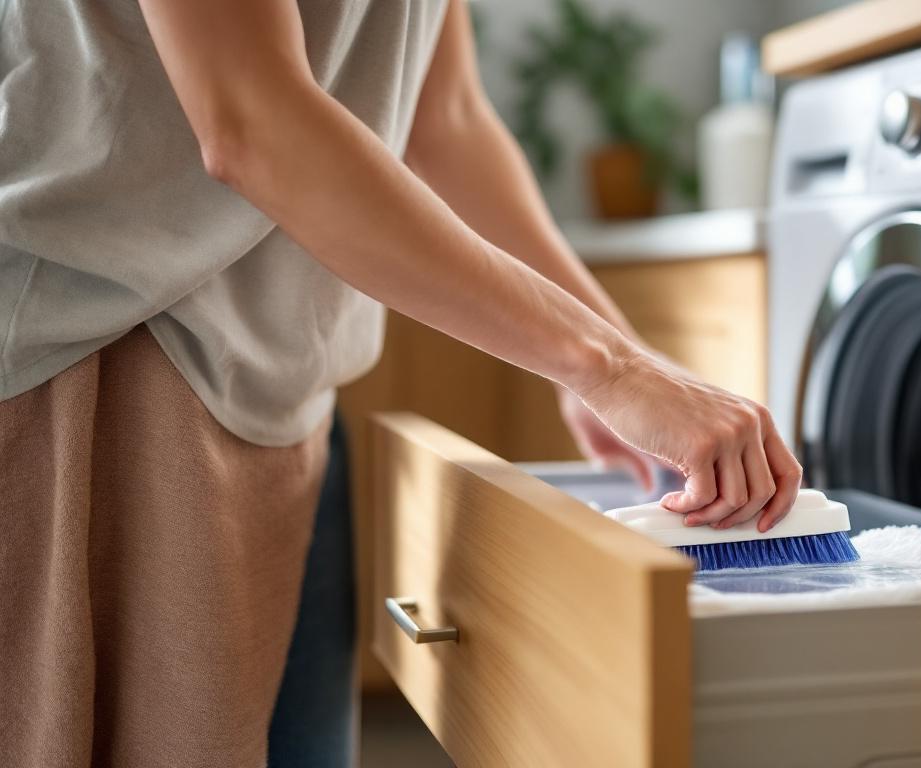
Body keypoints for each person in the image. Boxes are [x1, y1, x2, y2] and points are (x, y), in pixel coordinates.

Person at [0, 1, 802, 766]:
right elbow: (249, 120)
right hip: (100, 363)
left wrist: (619, 362)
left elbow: (444, 121)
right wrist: (607, 365)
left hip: (294, 393)